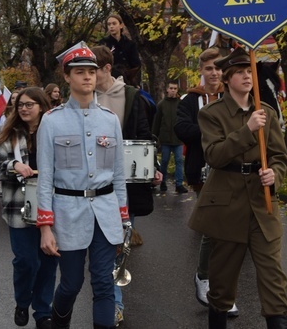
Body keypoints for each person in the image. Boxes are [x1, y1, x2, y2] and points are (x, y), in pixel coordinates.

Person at [188, 46, 287, 329]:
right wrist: (247, 130)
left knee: (274, 280)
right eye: (240, 73)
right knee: (221, 284)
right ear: (227, 78)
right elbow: (215, 155)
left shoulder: (266, 112)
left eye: (250, 72)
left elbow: (280, 157)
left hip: (263, 204)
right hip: (226, 205)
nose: (247, 77)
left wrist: (276, 175)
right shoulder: (212, 114)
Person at [36, 42, 129, 329]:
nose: (88, 77)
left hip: (105, 213)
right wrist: (45, 227)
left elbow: (117, 174)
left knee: (103, 284)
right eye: (80, 72)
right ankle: (58, 323)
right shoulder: (51, 122)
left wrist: (124, 219)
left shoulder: (110, 120)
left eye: (92, 71)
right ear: (67, 77)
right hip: (68, 214)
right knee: (72, 284)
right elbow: (46, 179)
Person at [91, 45, 162, 326]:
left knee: (117, 246)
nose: (86, 76)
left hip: (124, 186)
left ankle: (114, 304)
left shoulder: (132, 97)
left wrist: (152, 166)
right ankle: (104, 298)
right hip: (89, 185)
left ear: (107, 69)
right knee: (96, 251)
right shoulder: (84, 99)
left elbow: (145, 136)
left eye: (91, 70)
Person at [174, 47, 238, 317]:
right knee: (214, 229)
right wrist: (213, 128)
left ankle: (224, 289)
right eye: (209, 68)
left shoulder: (234, 96)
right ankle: (204, 277)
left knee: (234, 232)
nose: (214, 73)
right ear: (201, 70)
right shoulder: (190, 99)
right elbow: (182, 130)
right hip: (203, 172)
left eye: (218, 68)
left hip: (235, 171)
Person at [0, 87, 57, 329]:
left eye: (30, 104)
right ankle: (22, 301)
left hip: (52, 205)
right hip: (19, 207)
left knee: (48, 261)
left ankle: (43, 311)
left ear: (42, 106)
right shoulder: (8, 134)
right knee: (26, 261)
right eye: (21, 104)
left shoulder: (54, 131)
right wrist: (13, 165)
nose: (24, 108)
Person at [152, 79, 187, 193]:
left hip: (178, 139)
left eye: (175, 89)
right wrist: (154, 137)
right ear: (167, 89)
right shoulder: (162, 104)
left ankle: (179, 184)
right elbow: (157, 122)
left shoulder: (181, 104)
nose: (173, 91)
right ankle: (163, 182)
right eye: (171, 88)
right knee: (165, 161)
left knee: (179, 161)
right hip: (165, 139)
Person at [98, 14, 141, 87]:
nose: (111, 26)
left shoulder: (130, 44)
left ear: (121, 25)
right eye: (109, 24)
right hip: (109, 80)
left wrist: (136, 83)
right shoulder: (103, 44)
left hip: (127, 80)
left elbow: (136, 66)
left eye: (114, 23)